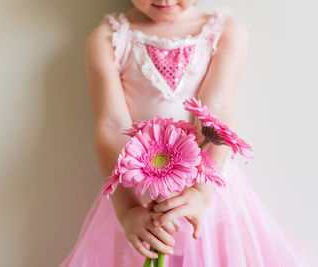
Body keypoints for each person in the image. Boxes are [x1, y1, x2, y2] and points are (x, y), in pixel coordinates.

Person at [59, 2, 318, 266]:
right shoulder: (107, 40)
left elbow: (219, 110)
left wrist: (202, 193)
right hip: (139, 194)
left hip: (210, 193)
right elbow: (112, 126)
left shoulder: (225, 32)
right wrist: (128, 210)